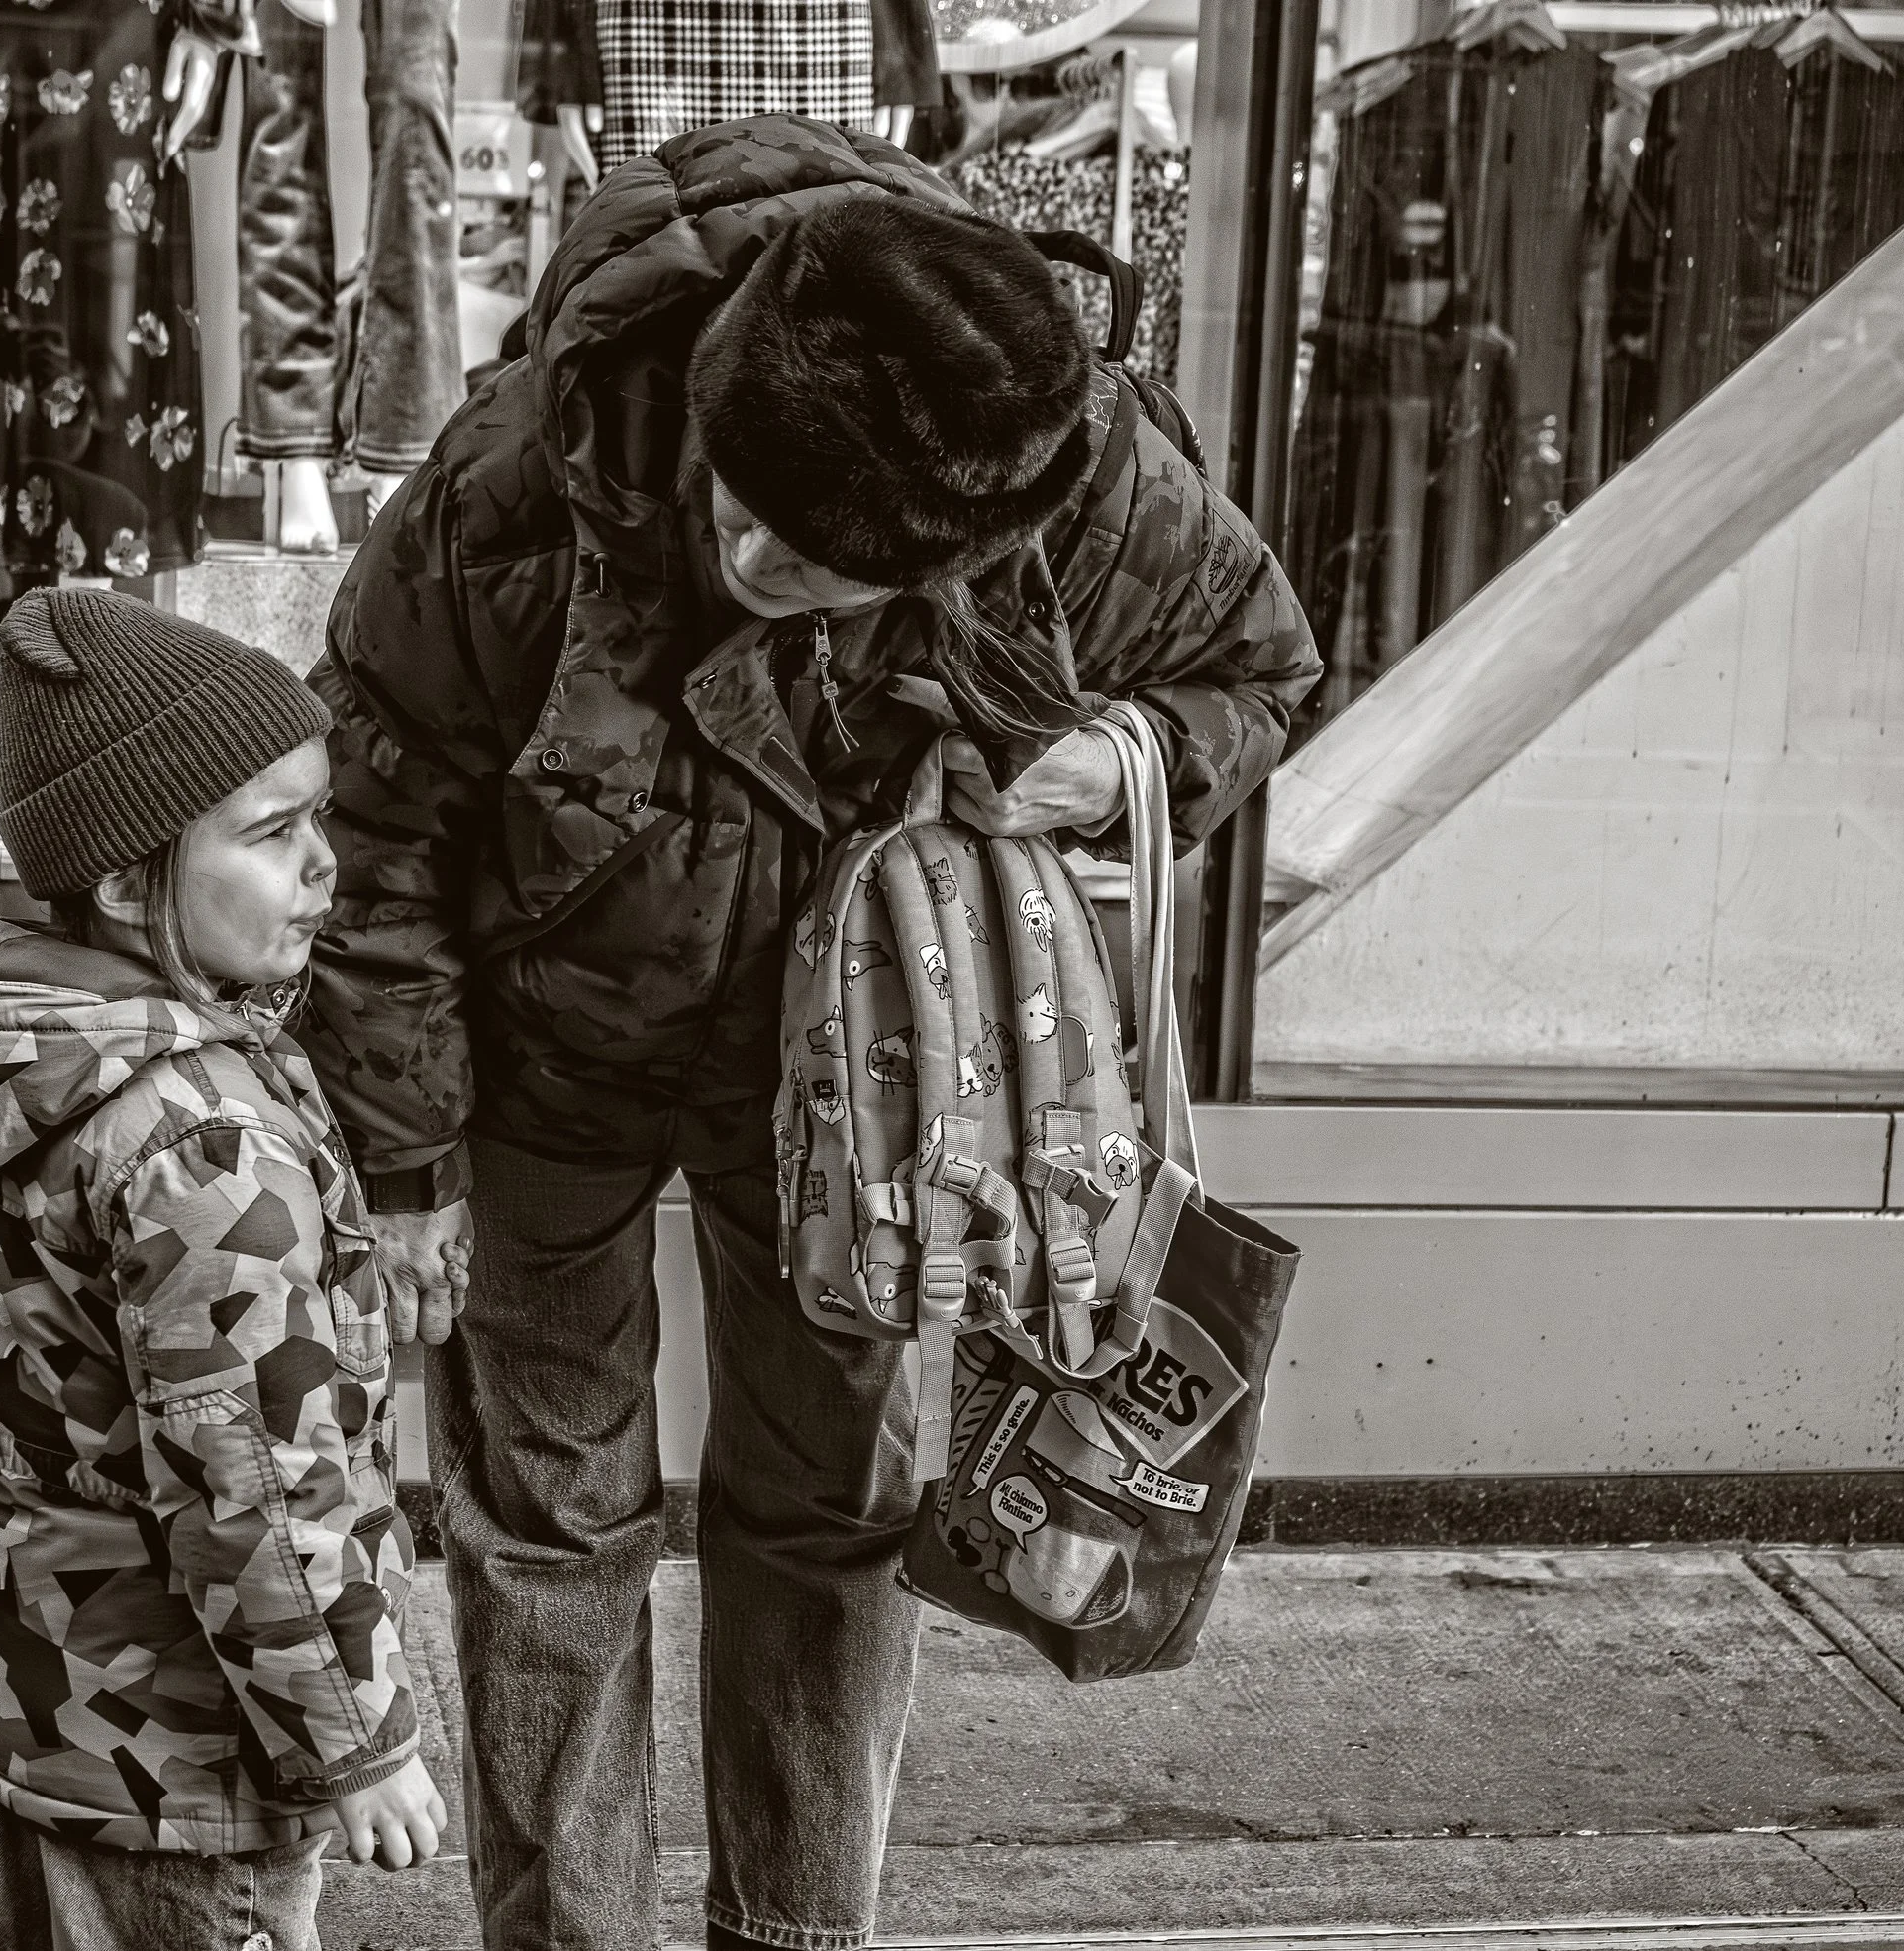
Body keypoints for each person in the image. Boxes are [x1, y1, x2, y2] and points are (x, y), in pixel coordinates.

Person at [303, 114, 1321, 1951]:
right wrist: (399, 1157)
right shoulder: (518, 472)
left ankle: (797, 1929)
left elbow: (1254, 662)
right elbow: (374, 811)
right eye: (735, 506)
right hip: (540, 1063)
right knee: (545, 1526)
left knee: (829, 1504)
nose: (754, 554)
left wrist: (1119, 758)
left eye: (814, 559)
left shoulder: (1068, 467)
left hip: (872, 1100)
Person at [0, 587, 451, 1951]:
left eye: (319, 818)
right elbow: (256, 1474)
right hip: (189, 1766)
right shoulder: (204, 1140)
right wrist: (359, 1738)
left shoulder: (48, 1062)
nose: (323, 865)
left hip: (48, 1720)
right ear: (133, 875)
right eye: (270, 833)